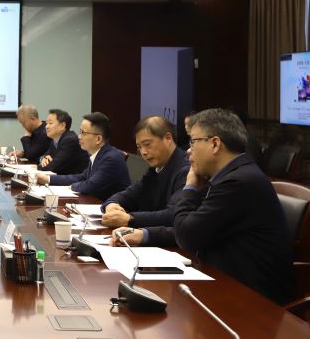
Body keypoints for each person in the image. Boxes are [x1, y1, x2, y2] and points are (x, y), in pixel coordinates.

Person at [174, 108, 295, 304]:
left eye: (193, 141)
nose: (188, 150)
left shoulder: (239, 183)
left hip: (254, 301)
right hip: (227, 284)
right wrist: (146, 234)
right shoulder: (231, 175)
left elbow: (187, 236)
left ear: (215, 144)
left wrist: (189, 187)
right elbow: (192, 225)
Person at [104, 116, 189, 247]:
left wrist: (130, 219)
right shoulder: (155, 169)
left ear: (168, 138)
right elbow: (129, 195)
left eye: (147, 144)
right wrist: (111, 205)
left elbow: (173, 214)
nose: (143, 152)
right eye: (139, 147)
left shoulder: (186, 170)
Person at [36, 112, 130, 200]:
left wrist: (70, 187)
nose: (79, 137)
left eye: (83, 133)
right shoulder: (98, 154)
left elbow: (90, 185)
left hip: (112, 209)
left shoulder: (111, 158)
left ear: (98, 139)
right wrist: (48, 179)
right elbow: (81, 177)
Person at [37, 109, 89, 175]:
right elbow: (46, 155)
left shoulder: (70, 141)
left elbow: (53, 167)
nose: (46, 126)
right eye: (47, 123)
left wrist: (38, 166)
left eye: (50, 123)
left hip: (76, 179)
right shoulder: (55, 140)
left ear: (62, 126)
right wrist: (43, 158)